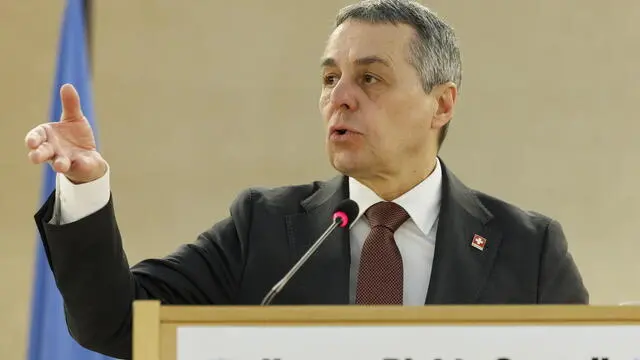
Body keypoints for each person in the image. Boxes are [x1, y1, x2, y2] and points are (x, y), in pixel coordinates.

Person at [25, 0, 588, 358]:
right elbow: (115, 322)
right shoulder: (265, 228)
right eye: (329, 77)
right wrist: (85, 189)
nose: (339, 98)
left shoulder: (528, 248)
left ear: (441, 104)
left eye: (370, 77)